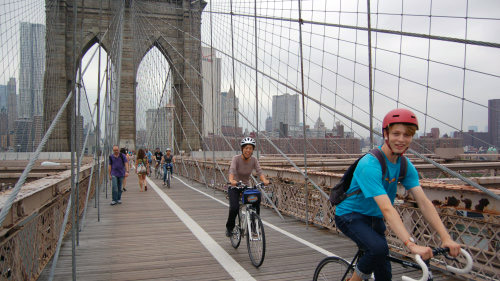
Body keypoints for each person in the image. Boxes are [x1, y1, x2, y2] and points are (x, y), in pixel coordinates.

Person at [334, 108, 461, 281]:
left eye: (407, 135)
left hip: (374, 218)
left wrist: (446, 238)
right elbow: (387, 208)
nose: (401, 140)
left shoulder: (404, 165)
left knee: (384, 275)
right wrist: (411, 245)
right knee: (378, 249)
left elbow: (423, 202)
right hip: (350, 215)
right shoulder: (369, 164)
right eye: (396, 134)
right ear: (385, 133)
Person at [225, 137, 270, 237]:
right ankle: (229, 228)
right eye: (246, 148)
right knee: (234, 208)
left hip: (246, 187)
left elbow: (259, 172)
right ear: (242, 149)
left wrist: (264, 180)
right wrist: (232, 180)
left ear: (253, 150)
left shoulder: (254, 160)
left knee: (256, 202)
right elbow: (232, 170)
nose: (248, 150)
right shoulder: (236, 159)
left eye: (250, 148)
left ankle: (254, 227)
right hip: (235, 186)